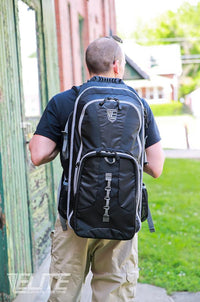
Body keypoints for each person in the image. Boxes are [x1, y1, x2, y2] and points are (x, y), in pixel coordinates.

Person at [29, 36, 165, 302]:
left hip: (73, 212)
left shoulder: (64, 101)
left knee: (64, 294)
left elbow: (37, 154)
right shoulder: (138, 103)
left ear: (87, 65)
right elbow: (156, 166)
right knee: (114, 294)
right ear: (117, 65)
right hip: (122, 212)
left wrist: (65, 146)